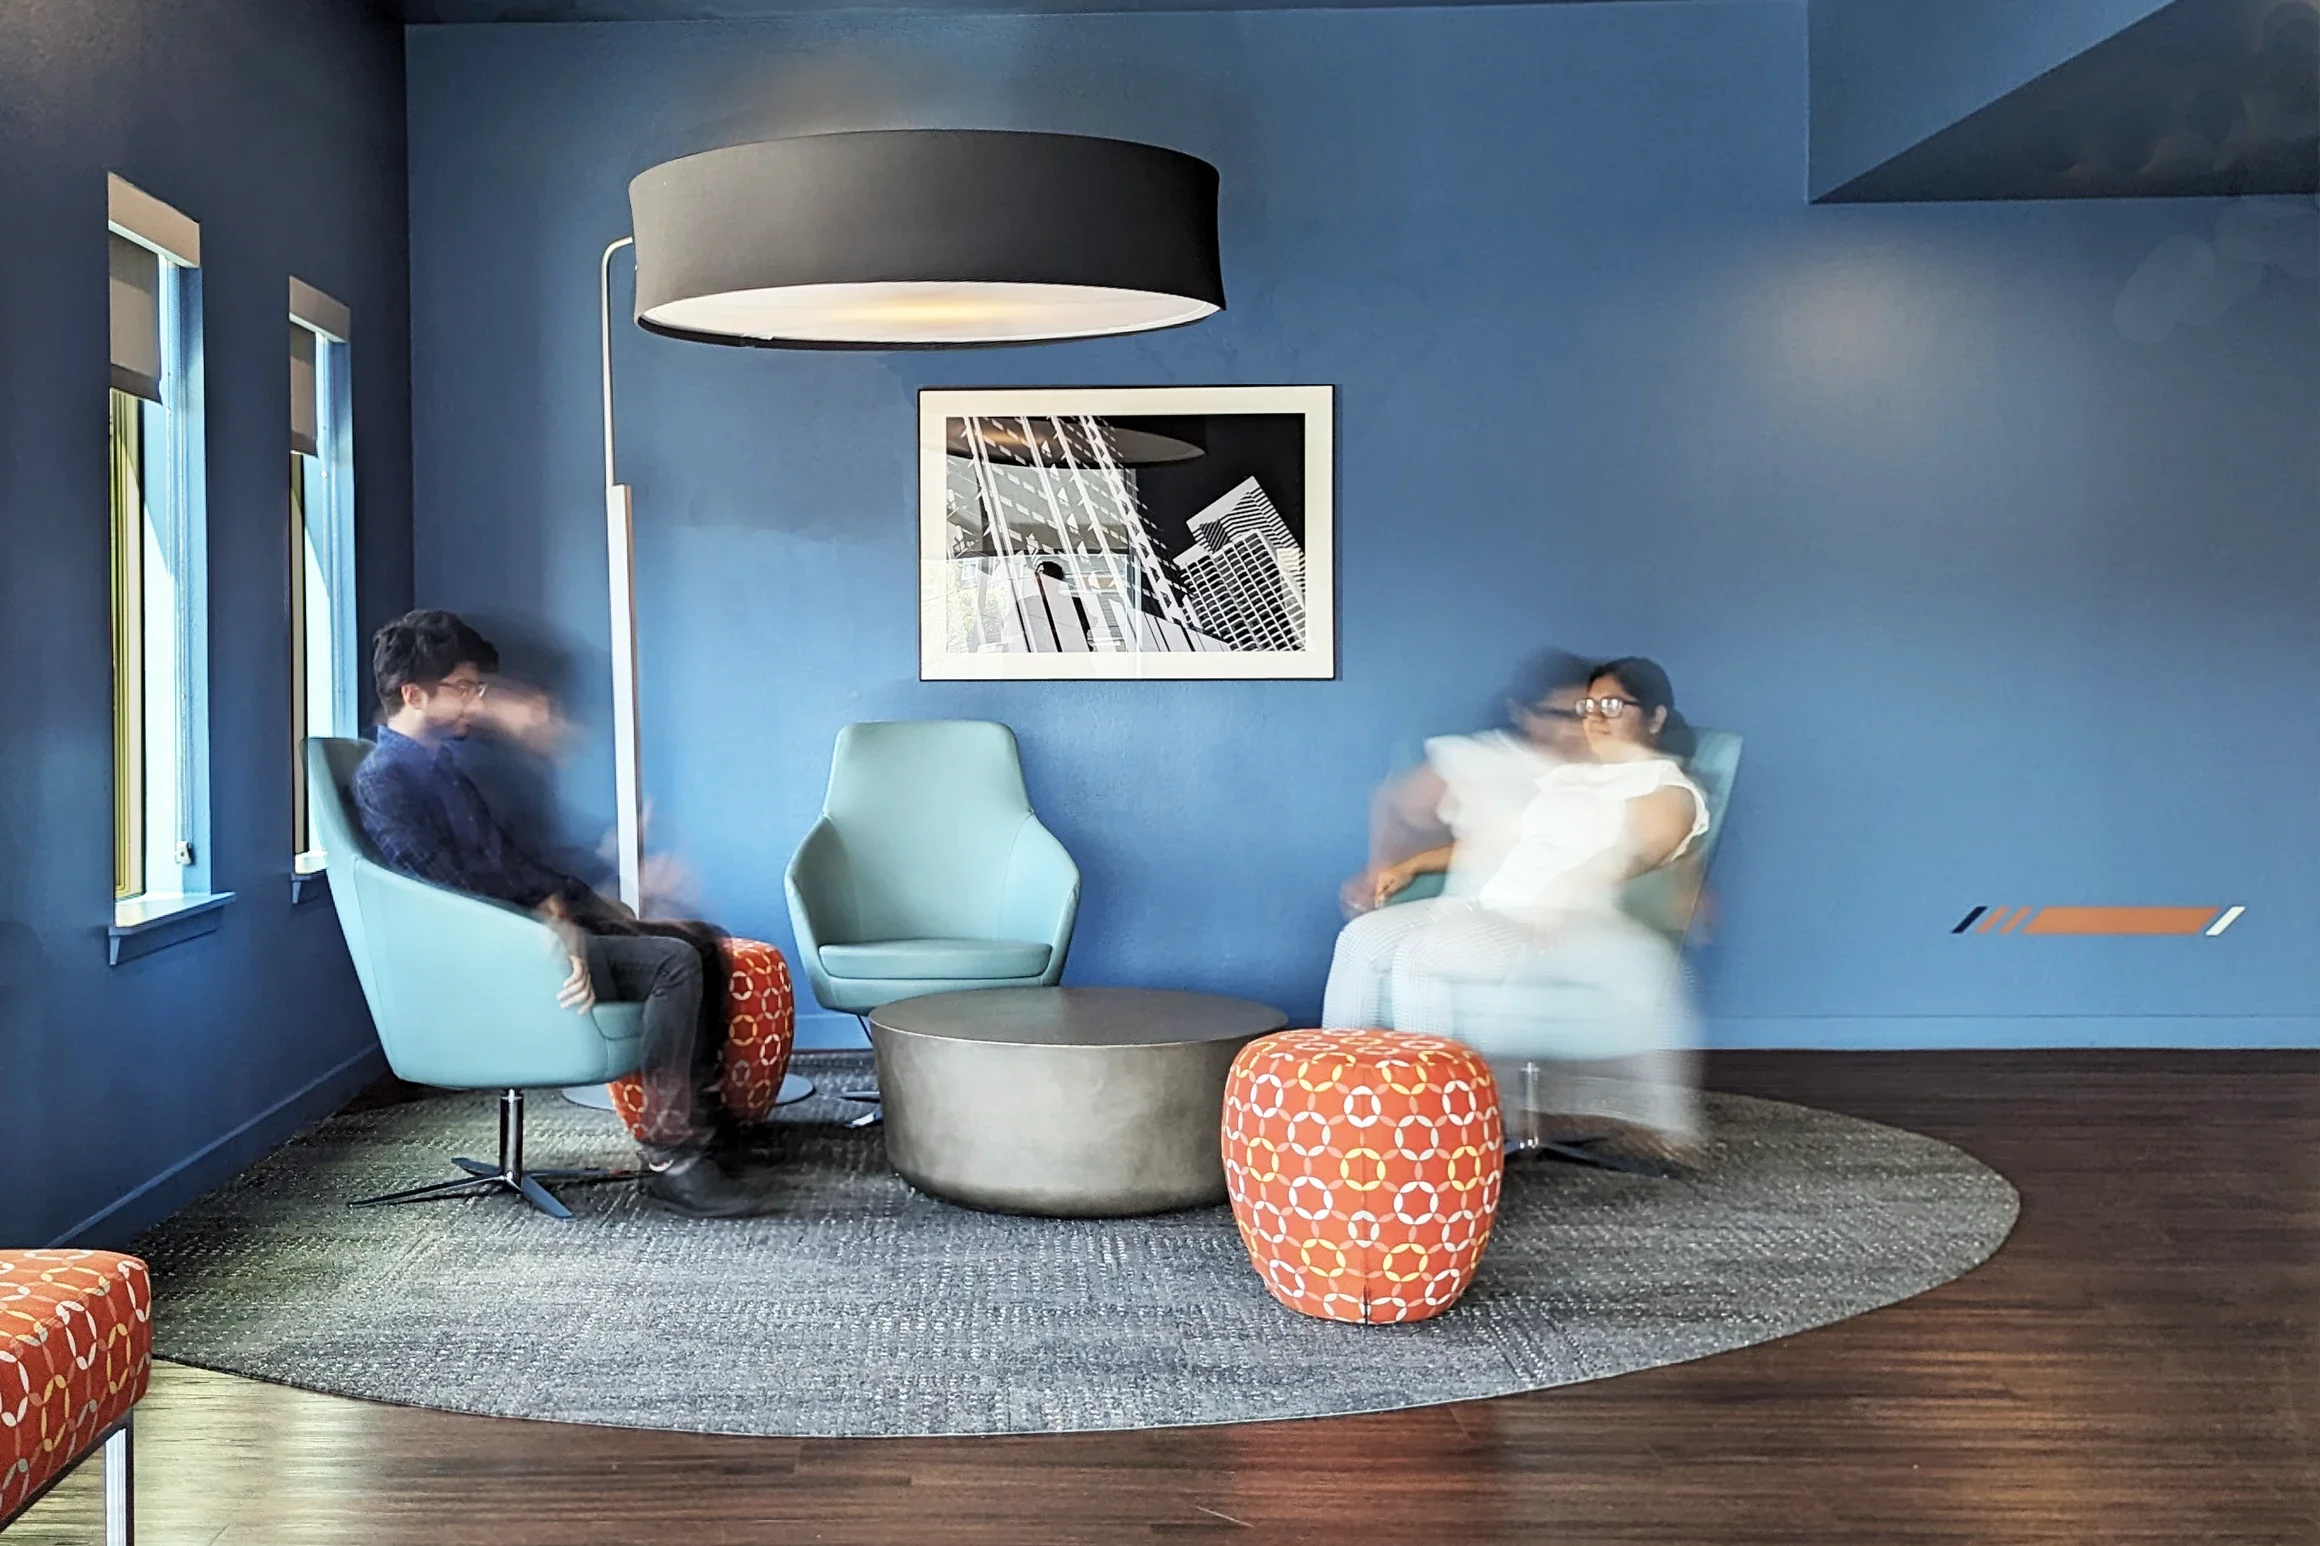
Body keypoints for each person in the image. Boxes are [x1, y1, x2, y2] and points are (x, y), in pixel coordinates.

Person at [351, 609, 773, 1218]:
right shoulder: (385, 778)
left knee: (701, 941)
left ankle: (707, 1133)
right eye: (463, 688)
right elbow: (451, 894)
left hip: (530, 927)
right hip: (503, 951)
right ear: (414, 694)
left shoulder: (440, 768)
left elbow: (507, 864)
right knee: (673, 963)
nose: (476, 703)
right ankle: (671, 1157)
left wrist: (584, 899)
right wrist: (553, 928)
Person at [1325, 656, 1711, 1160]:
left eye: (1613, 705)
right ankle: (1339, 1111)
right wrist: (1413, 864)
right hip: (1493, 905)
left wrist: (1568, 886)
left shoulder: (1664, 786)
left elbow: (1647, 850)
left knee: (1423, 956)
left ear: (1655, 717)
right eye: (1588, 706)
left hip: (1565, 925)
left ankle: (1435, 1135)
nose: (1595, 716)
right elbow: (1498, 842)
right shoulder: (1572, 779)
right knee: (1360, 941)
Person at [1322, 650, 1595, 1030]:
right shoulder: (1480, 757)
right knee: (1360, 941)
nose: (1574, 728)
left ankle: (1429, 1071)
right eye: (1558, 714)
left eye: (1583, 713)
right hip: (1471, 899)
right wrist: (1382, 865)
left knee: (1421, 956)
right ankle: (1339, 1067)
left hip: (1542, 916)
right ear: (1521, 712)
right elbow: (1393, 801)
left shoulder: (1602, 771)